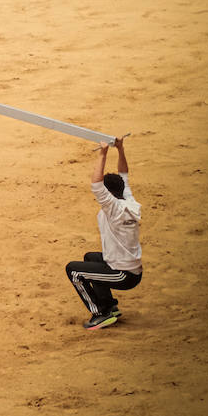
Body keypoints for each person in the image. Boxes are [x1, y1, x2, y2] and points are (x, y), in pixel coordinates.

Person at [66, 138, 142, 330]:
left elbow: (97, 185)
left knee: (74, 270)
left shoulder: (113, 209)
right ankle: (110, 306)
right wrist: (121, 149)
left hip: (122, 274)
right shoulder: (128, 201)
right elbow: (123, 175)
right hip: (131, 269)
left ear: (109, 194)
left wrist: (103, 153)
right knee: (90, 258)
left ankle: (100, 313)